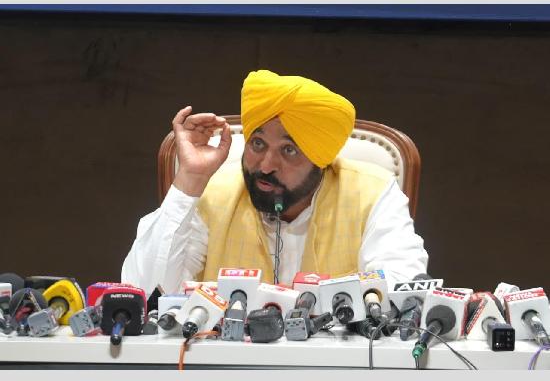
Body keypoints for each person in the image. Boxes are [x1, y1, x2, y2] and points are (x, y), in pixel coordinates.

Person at [121, 70, 428, 295]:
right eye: (257, 144)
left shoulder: (371, 193)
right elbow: (146, 292)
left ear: (320, 160)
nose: (266, 165)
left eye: (289, 150)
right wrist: (191, 178)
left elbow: (401, 290)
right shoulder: (212, 193)